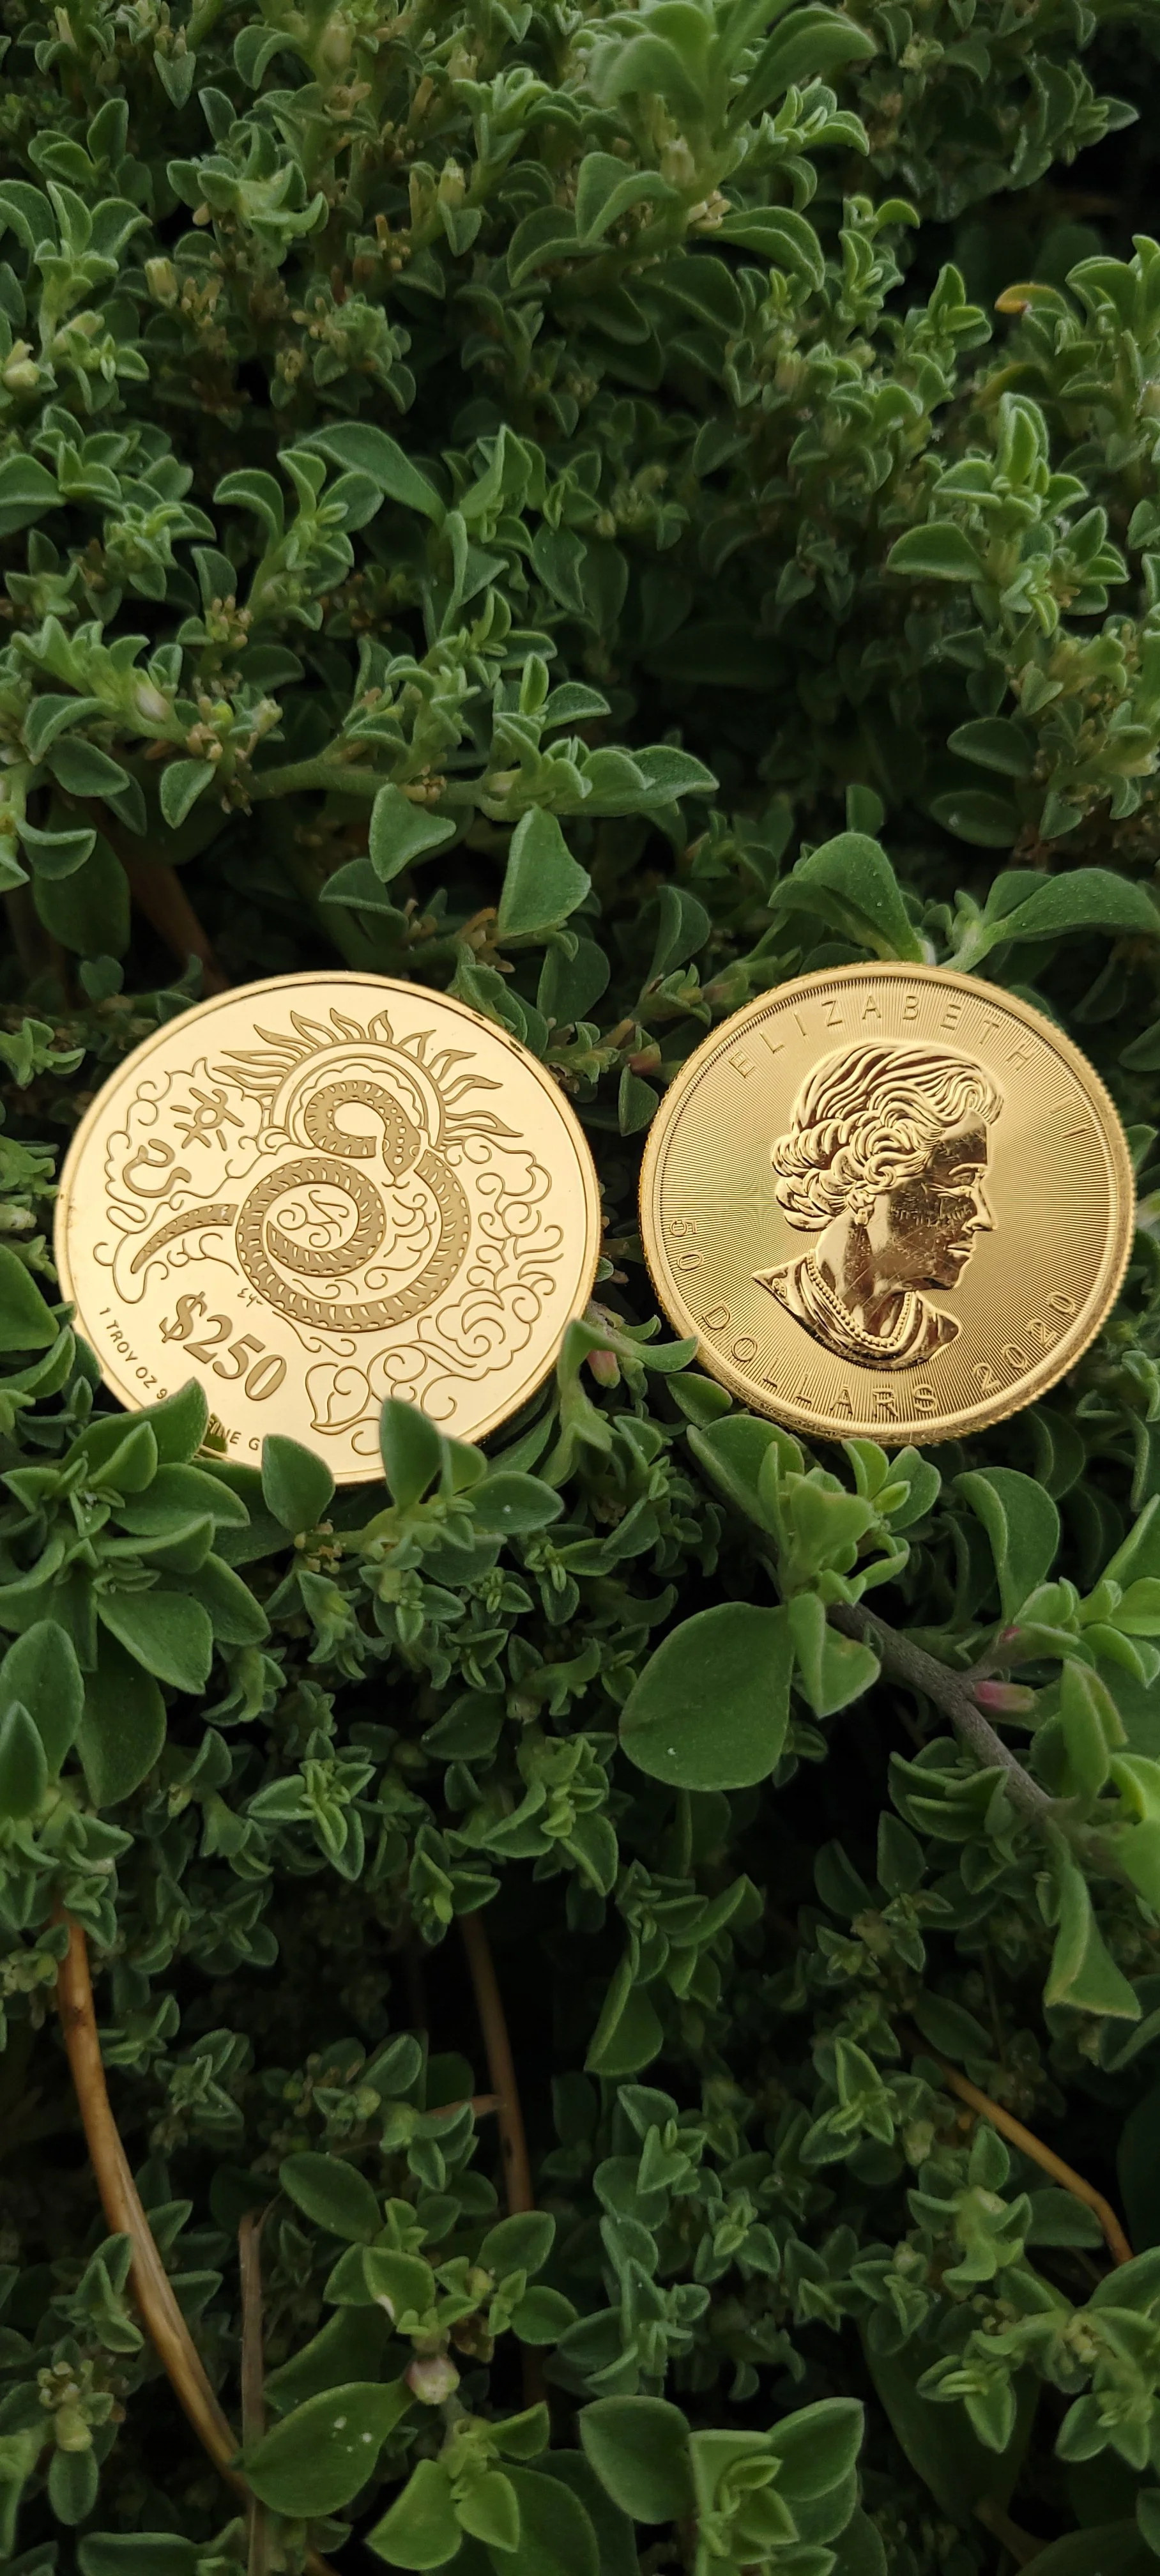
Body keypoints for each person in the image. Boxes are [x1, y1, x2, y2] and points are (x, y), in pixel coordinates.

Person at [754, 1040, 1002, 1370]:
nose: (984, 1218)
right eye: (962, 1182)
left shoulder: (940, 1335)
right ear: (867, 1182)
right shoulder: (763, 1306)